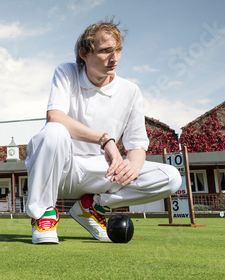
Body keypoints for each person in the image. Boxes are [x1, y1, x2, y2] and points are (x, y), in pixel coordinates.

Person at [25, 19, 181, 244]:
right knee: (53, 132)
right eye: (106, 51)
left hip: (102, 173)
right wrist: (105, 140)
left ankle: (91, 206)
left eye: (118, 50)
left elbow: (137, 145)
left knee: (171, 178)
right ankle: (44, 214)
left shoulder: (131, 91)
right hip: (61, 169)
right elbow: (55, 117)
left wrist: (132, 166)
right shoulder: (66, 72)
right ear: (84, 54)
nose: (114, 58)